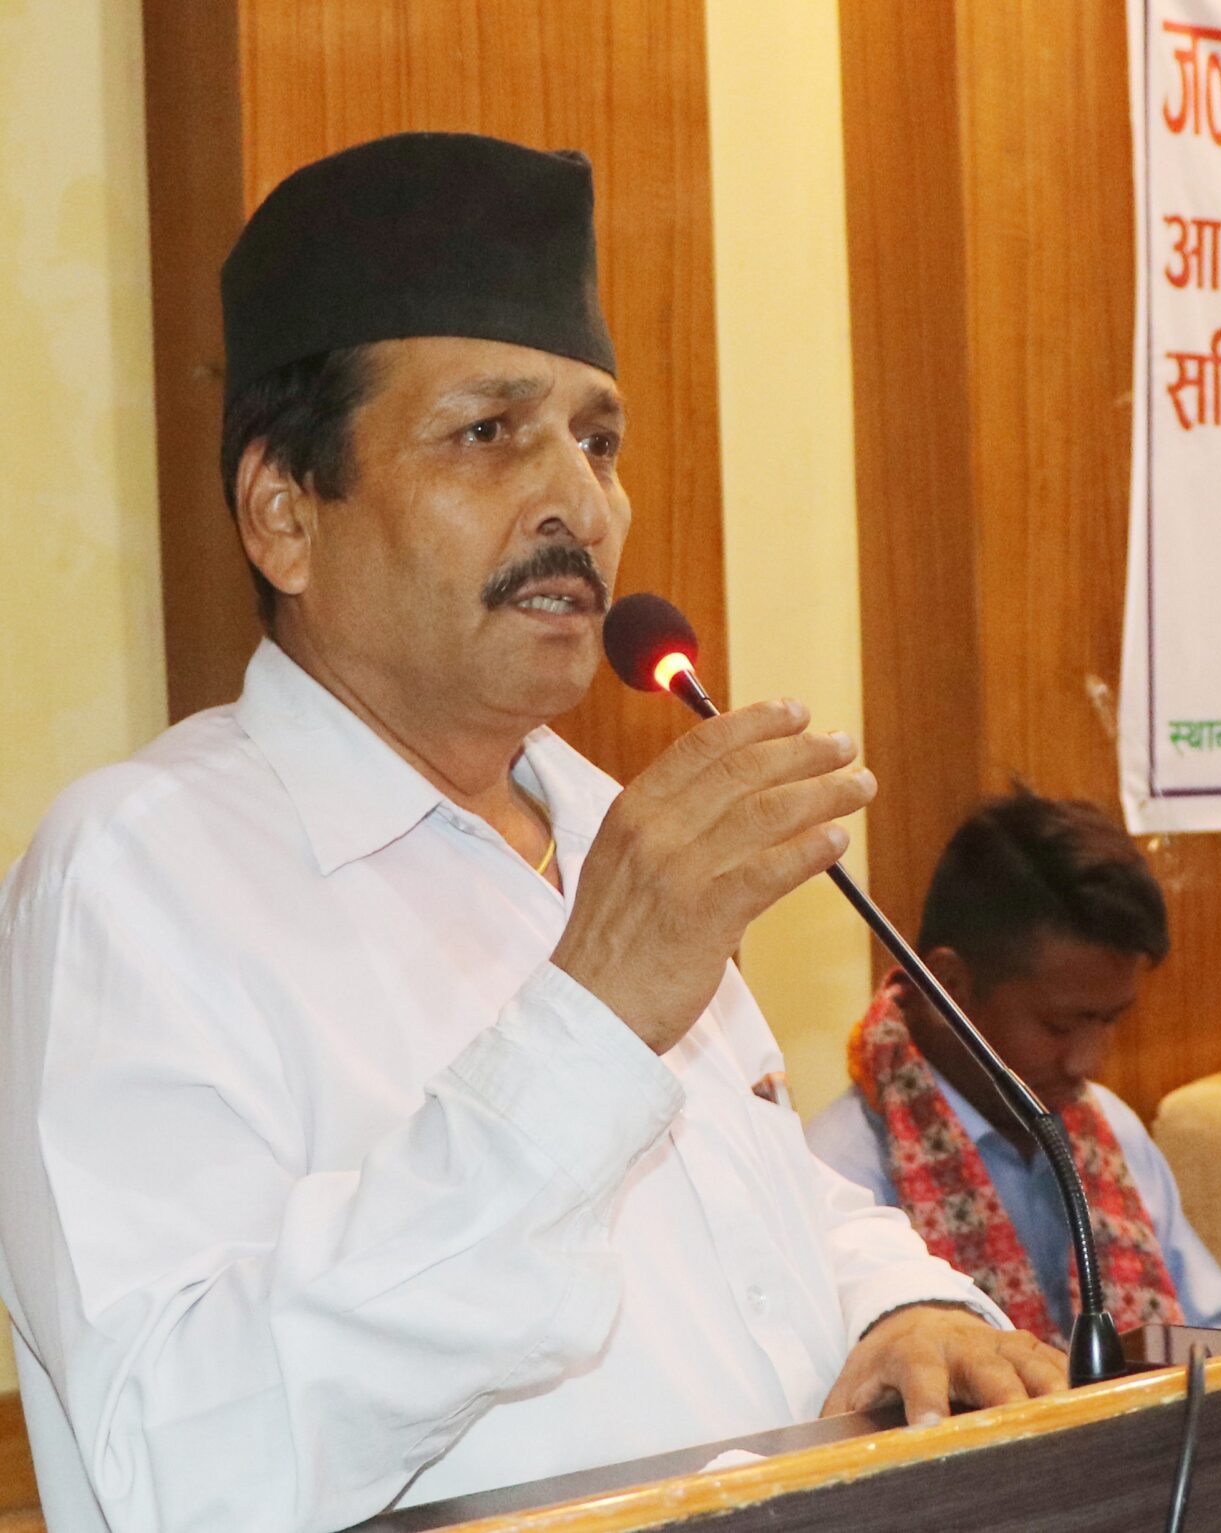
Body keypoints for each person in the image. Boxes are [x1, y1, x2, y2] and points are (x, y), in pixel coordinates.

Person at [0, 132, 1061, 1533]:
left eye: (598, 439)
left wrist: (900, 1304)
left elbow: (745, 1215)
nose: (582, 501)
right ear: (283, 514)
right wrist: (589, 1023)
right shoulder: (135, 877)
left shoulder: (609, 824)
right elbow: (174, 1463)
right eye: (489, 433)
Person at [805, 791, 1221, 1336]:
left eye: (1111, 1020)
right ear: (949, 986)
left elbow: (1218, 1342)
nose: (1089, 1062)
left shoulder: (1113, 1129)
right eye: (1058, 1026)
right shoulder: (838, 1175)